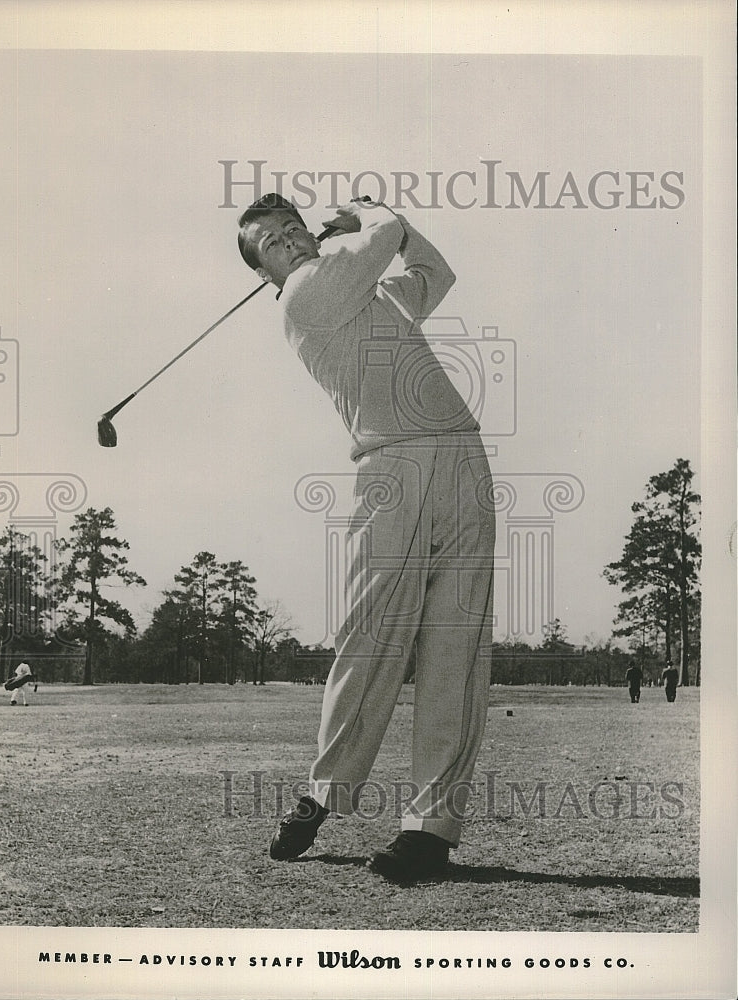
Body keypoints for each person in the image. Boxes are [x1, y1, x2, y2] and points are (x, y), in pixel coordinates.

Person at [237, 193, 495, 882]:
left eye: (293, 229)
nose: (289, 240)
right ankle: (321, 794)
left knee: (455, 646)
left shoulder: (366, 293)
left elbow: (433, 273)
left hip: (460, 456)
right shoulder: (303, 297)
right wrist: (371, 212)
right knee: (372, 635)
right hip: (390, 466)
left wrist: (393, 226)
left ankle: (429, 832)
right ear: (265, 273)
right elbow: (382, 236)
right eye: (271, 242)